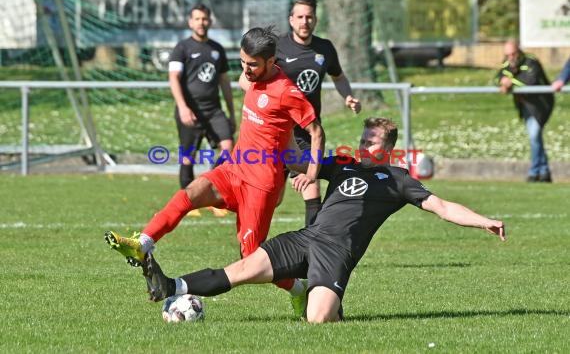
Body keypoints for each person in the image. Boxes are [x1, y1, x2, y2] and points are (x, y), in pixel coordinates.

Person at [140, 117, 506, 324]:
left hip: (336, 254)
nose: (364, 147)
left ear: (389, 148)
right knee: (240, 270)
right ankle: (171, 286)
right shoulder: (342, 163)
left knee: (319, 321)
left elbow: (442, 206)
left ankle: (328, 299)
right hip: (306, 238)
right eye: (363, 140)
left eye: (372, 144)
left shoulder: (398, 180)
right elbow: (297, 161)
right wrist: (276, 135)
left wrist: (483, 220)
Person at [105, 26, 325, 317]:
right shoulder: (251, 79)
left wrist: (311, 172)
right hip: (234, 169)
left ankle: (299, 289)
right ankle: (142, 243)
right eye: (243, 62)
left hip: (261, 184)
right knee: (190, 193)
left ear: (272, 62)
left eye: (253, 64)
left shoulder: (287, 92)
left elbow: (316, 131)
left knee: (250, 257)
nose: (246, 69)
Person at [276, 0, 361, 226]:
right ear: (291, 19)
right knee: (273, 199)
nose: (305, 22)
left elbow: (339, 77)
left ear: (315, 20)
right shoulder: (277, 47)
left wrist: (348, 96)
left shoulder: (325, 48)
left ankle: (310, 248)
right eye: (300, 17)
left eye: (309, 17)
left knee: (311, 185)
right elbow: (249, 80)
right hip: (277, 132)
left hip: (306, 132)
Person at [168, 4, 236, 217]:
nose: (201, 23)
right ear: (190, 22)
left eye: (204, 19)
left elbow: (224, 81)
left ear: (210, 21)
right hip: (191, 110)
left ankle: (213, 195)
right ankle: (187, 202)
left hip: (214, 110)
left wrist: (232, 112)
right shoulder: (182, 48)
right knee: (188, 157)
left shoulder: (217, 49)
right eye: (197, 19)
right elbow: (173, 78)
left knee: (228, 149)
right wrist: (183, 107)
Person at [495, 39, 555, 183]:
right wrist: (502, 82)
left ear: (519, 51)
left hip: (542, 104)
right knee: (536, 136)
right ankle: (544, 171)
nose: (510, 58)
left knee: (534, 134)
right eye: (507, 55)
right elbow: (499, 77)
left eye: (513, 54)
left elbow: (530, 81)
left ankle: (534, 171)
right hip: (526, 105)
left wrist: (510, 82)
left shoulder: (531, 61)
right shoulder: (507, 64)